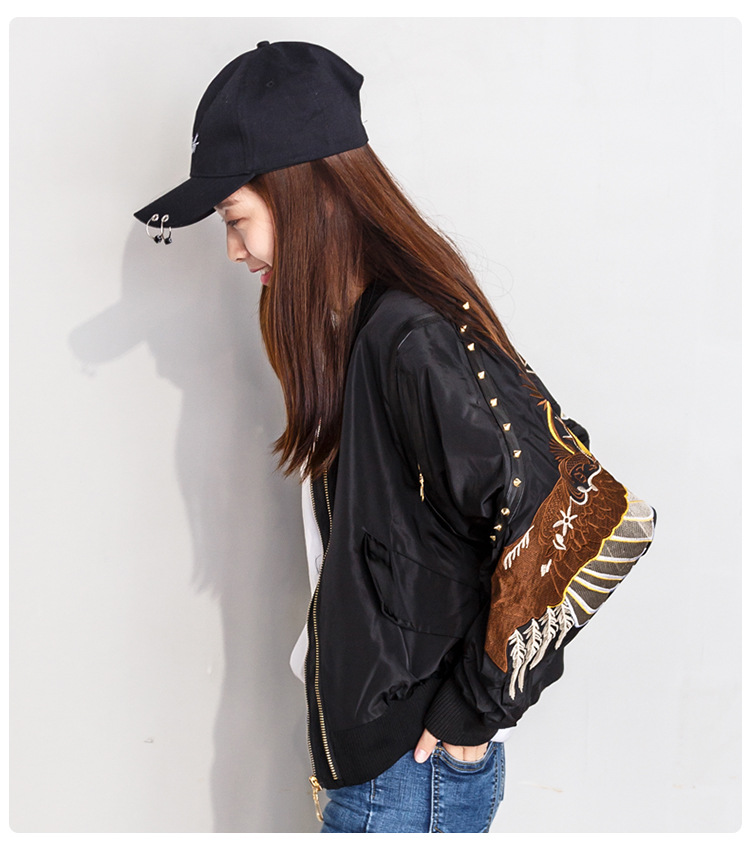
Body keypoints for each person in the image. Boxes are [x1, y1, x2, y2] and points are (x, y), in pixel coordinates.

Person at [134, 41, 656, 834]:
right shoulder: (359, 335)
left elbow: (586, 514)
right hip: (381, 772)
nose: (232, 249)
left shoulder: (406, 338)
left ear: (306, 190)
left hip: (407, 779)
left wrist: (472, 707)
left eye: (236, 218)